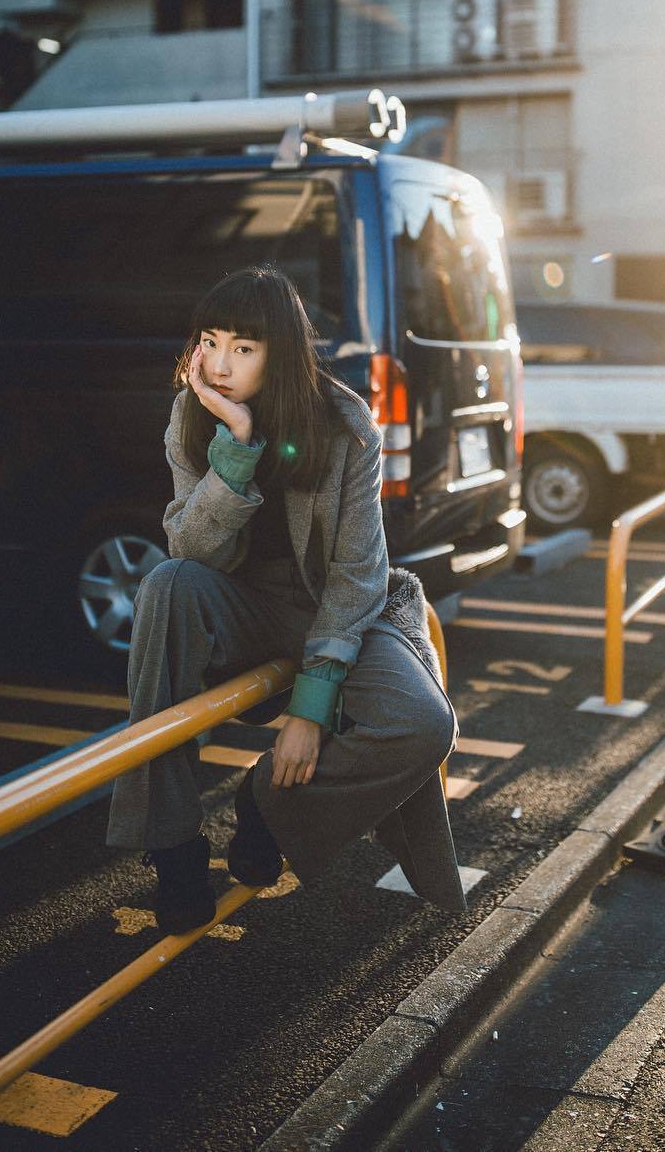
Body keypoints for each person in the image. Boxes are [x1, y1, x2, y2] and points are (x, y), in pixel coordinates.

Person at [107, 265, 466, 932]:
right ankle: (174, 845)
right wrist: (235, 450)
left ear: (282, 354)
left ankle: (267, 804)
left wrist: (311, 705)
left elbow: (359, 573)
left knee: (424, 724)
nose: (217, 364)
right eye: (208, 341)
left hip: (340, 610)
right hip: (246, 607)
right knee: (164, 583)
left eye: (243, 348)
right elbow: (191, 549)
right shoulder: (190, 414)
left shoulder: (344, 423)